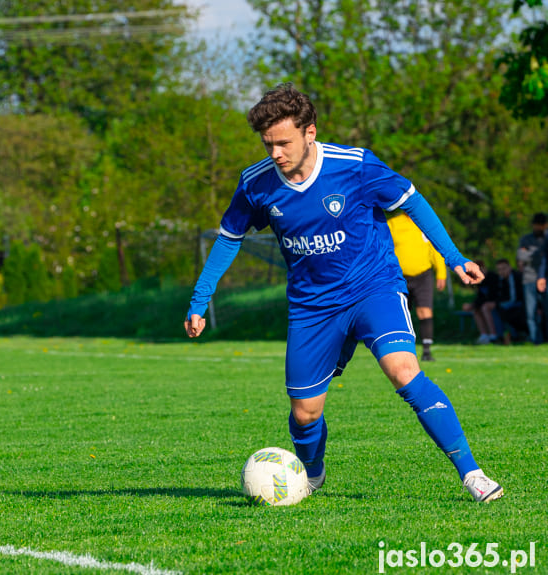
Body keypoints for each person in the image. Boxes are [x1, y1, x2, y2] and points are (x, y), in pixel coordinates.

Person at [184, 84, 502, 502]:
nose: (276, 153)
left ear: (309, 132)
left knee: (404, 369)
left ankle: (472, 474)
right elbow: (228, 238)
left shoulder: (354, 166)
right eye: (268, 144)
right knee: (305, 413)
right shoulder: (256, 184)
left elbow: (412, 201)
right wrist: (199, 299)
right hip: (312, 307)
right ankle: (311, 475)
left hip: (374, 287)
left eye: (283, 142)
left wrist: (455, 257)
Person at [387, 211, 447, 361]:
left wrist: (441, 272)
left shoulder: (424, 221)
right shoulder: (393, 223)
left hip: (423, 275)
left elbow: (435, 248)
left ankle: (426, 351)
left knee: (424, 311)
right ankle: (400, 350)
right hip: (399, 276)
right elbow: (384, 248)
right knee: (400, 313)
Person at [516, 213, 547, 344]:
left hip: (545, 278)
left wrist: (532, 254)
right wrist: (538, 254)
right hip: (529, 279)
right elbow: (520, 256)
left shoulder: (546, 238)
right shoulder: (526, 239)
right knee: (531, 313)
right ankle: (536, 339)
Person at [462, 260, 499, 344]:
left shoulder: (493, 277)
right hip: (486, 302)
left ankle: (493, 335)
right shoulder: (480, 281)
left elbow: (491, 296)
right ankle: (484, 335)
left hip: (497, 301)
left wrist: (473, 304)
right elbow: (480, 297)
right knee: (476, 309)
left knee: (484, 307)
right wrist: (472, 305)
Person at [492, 258, 526, 344]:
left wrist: (498, 304)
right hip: (509, 304)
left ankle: (511, 336)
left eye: (504, 268)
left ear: (510, 267)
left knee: (501, 311)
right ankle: (498, 336)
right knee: (494, 309)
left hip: (519, 304)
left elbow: (513, 298)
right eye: (499, 269)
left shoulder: (515, 277)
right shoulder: (500, 280)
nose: (502, 271)